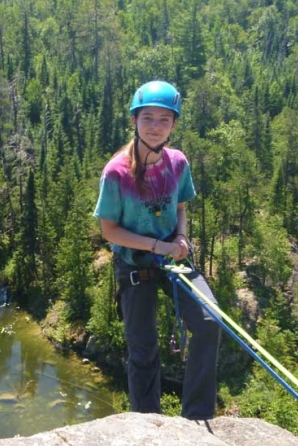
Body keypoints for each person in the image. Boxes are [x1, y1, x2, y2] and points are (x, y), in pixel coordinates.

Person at [93, 80, 221, 420]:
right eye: (147, 118)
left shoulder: (177, 163)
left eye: (164, 120)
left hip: (171, 257)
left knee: (210, 321)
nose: (154, 126)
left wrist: (180, 238)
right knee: (143, 348)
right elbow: (110, 231)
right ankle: (148, 422)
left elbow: (180, 207)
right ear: (134, 121)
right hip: (135, 263)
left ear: (174, 125)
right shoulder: (116, 173)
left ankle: (196, 416)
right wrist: (157, 245)